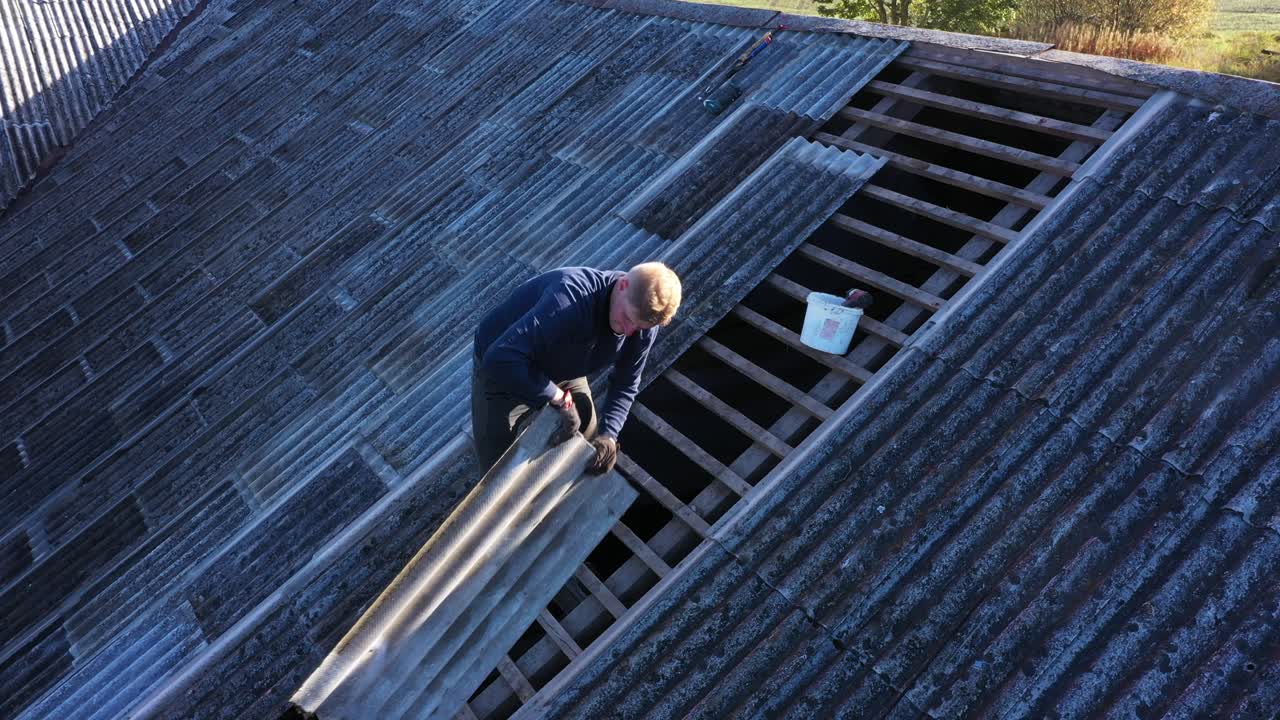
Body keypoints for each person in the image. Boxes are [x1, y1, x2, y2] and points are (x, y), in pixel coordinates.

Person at [471, 262, 682, 475]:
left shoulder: (641, 323)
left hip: (565, 363)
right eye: (627, 318)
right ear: (623, 285)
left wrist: (609, 435)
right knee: (497, 467)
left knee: (587, 434)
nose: (629, 331)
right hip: (505, 366)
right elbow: (500, 358)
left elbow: (626, 383)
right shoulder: (568, 299)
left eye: (639, 327)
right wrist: (559, 398)